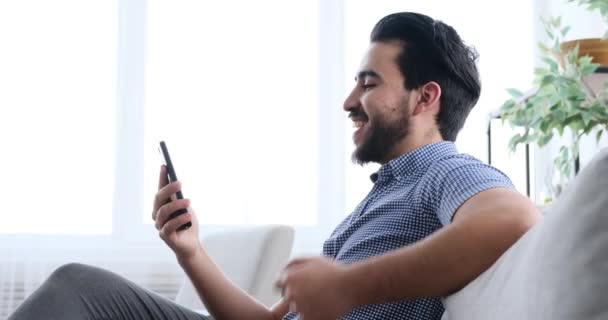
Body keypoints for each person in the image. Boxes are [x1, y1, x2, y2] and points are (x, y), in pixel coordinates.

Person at [8, 12, 540, 320]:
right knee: (78, 291)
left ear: (425, 99)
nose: (350, 100)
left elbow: (513, 219)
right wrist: (191, 252)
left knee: (78, 288)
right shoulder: (387, 195)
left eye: (370, 82)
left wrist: (353, 286)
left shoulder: (444, 171)